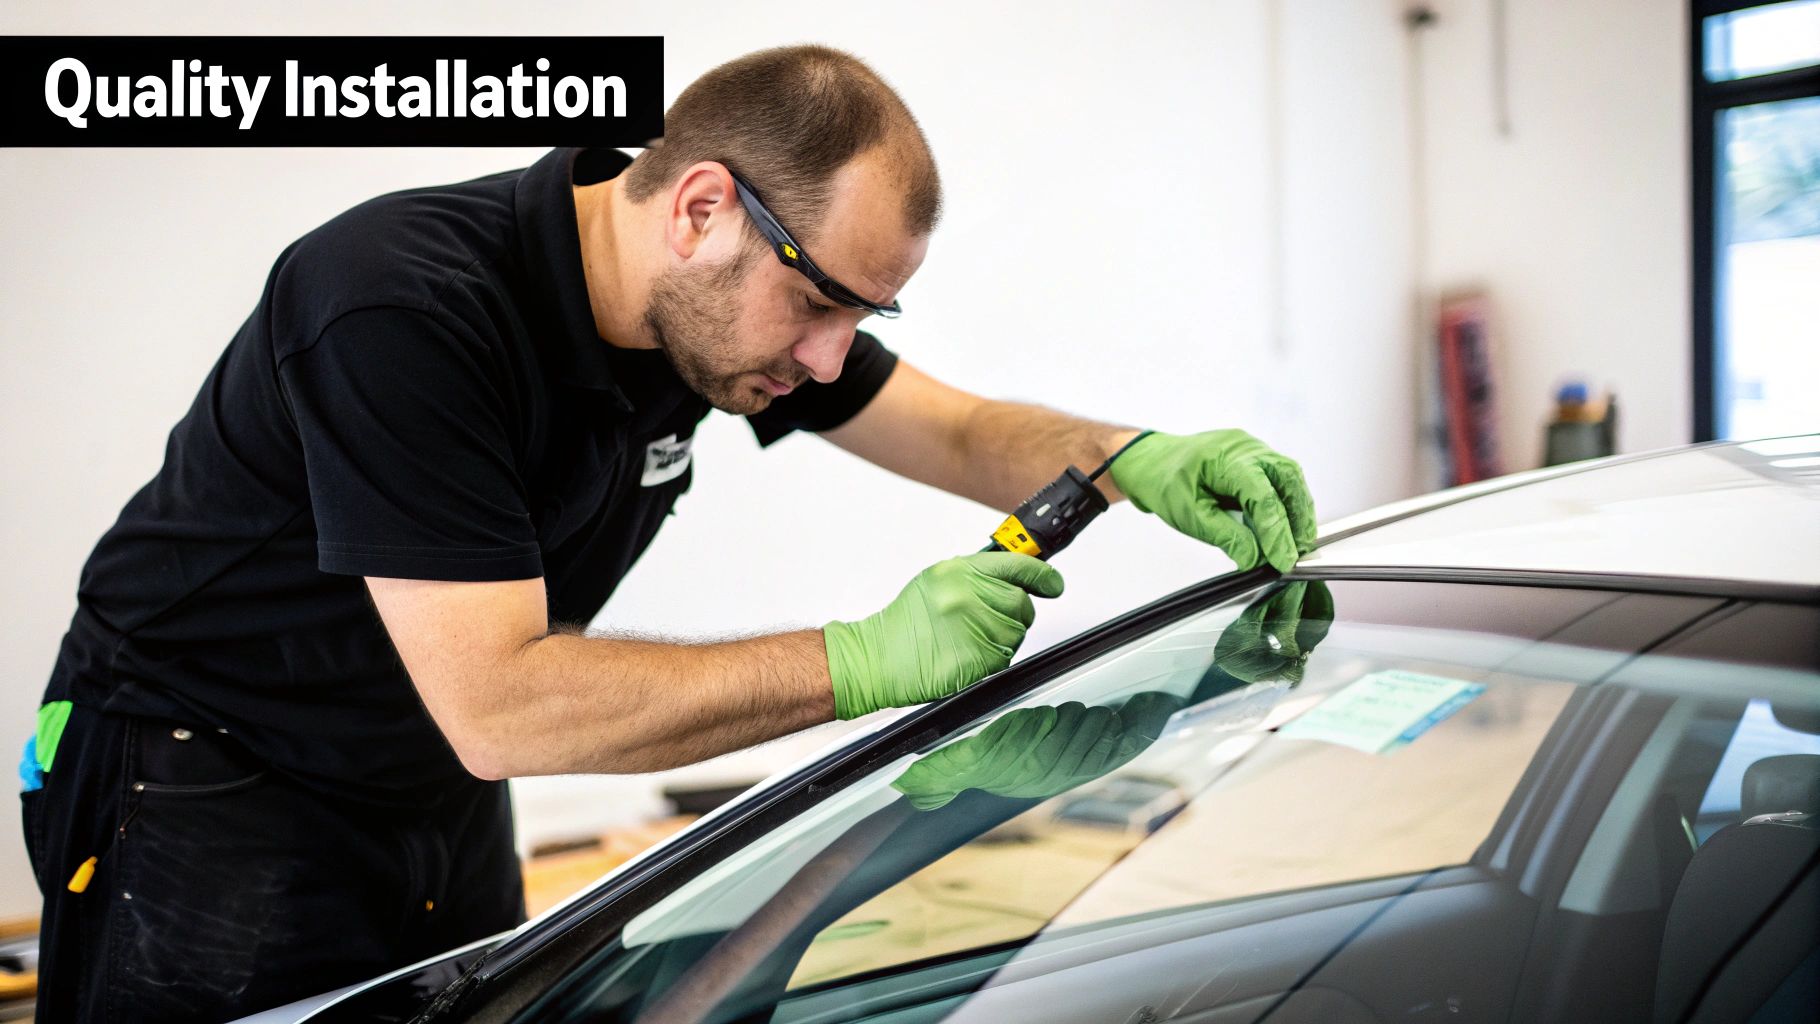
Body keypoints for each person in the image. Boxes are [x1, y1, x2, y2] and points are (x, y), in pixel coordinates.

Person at [19, 44, 1318, 1022]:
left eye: (864, 318)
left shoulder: (705, 320)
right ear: (700, 209)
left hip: (430, 783)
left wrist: (1127, 457)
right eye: (819, 302)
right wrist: (863, 660)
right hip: (200, 777)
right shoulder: (397, 306)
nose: (829, 360)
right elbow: (502, 704)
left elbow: (960, 432)